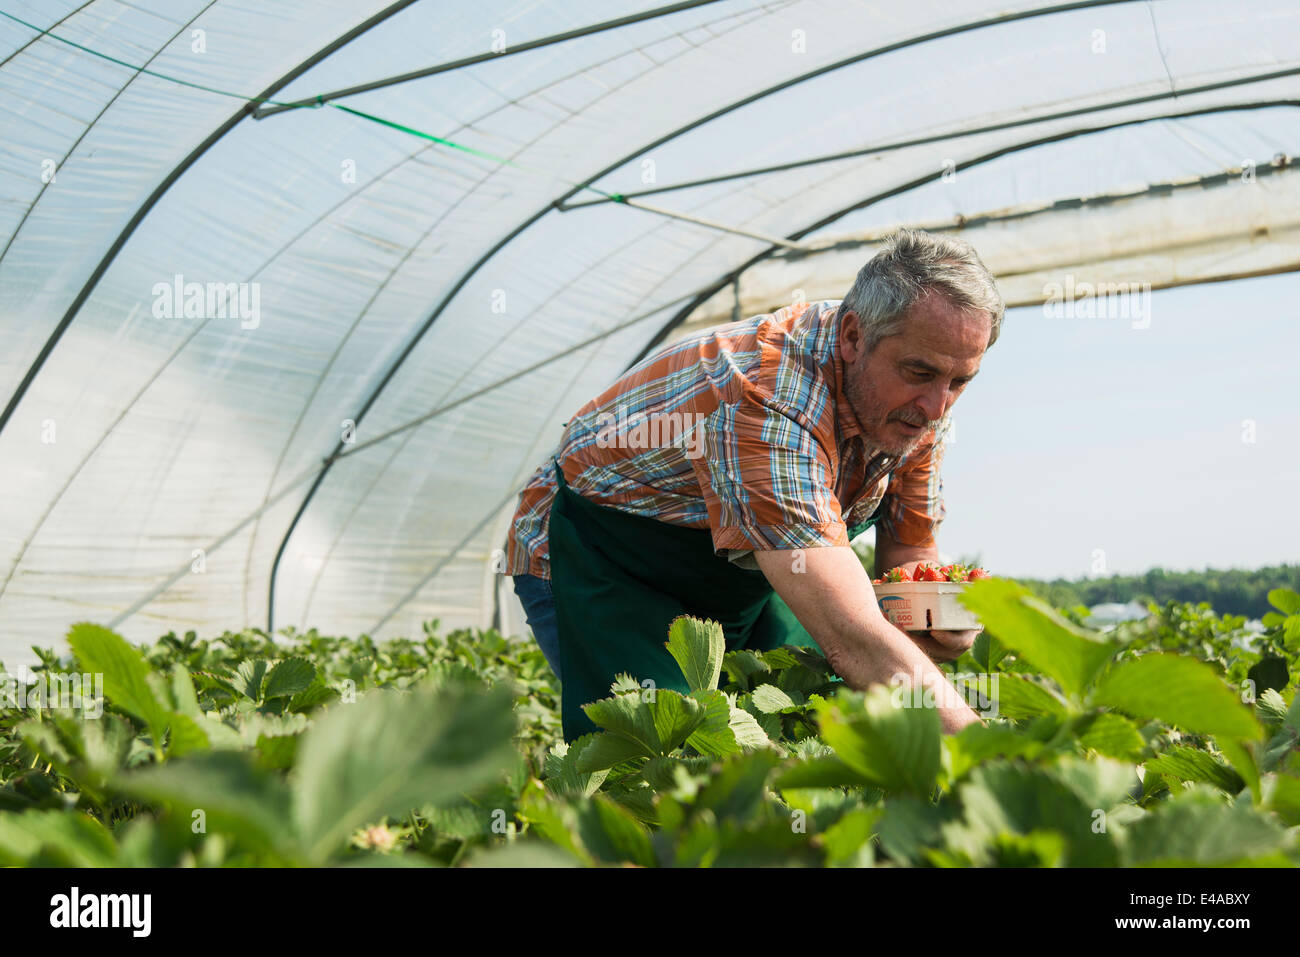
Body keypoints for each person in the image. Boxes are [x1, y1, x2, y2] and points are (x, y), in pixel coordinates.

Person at [504, 228, 1004, 741]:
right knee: (664, 759)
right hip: (604, 560)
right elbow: (851, 635)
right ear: (853, 337)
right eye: (919, 372)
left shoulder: (918, 403)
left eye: (960, 381)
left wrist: (931, 613)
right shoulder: (766, 398)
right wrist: (986, 753)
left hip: (750, 568)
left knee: (789, 726)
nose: (938, 407)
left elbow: (910, 547)